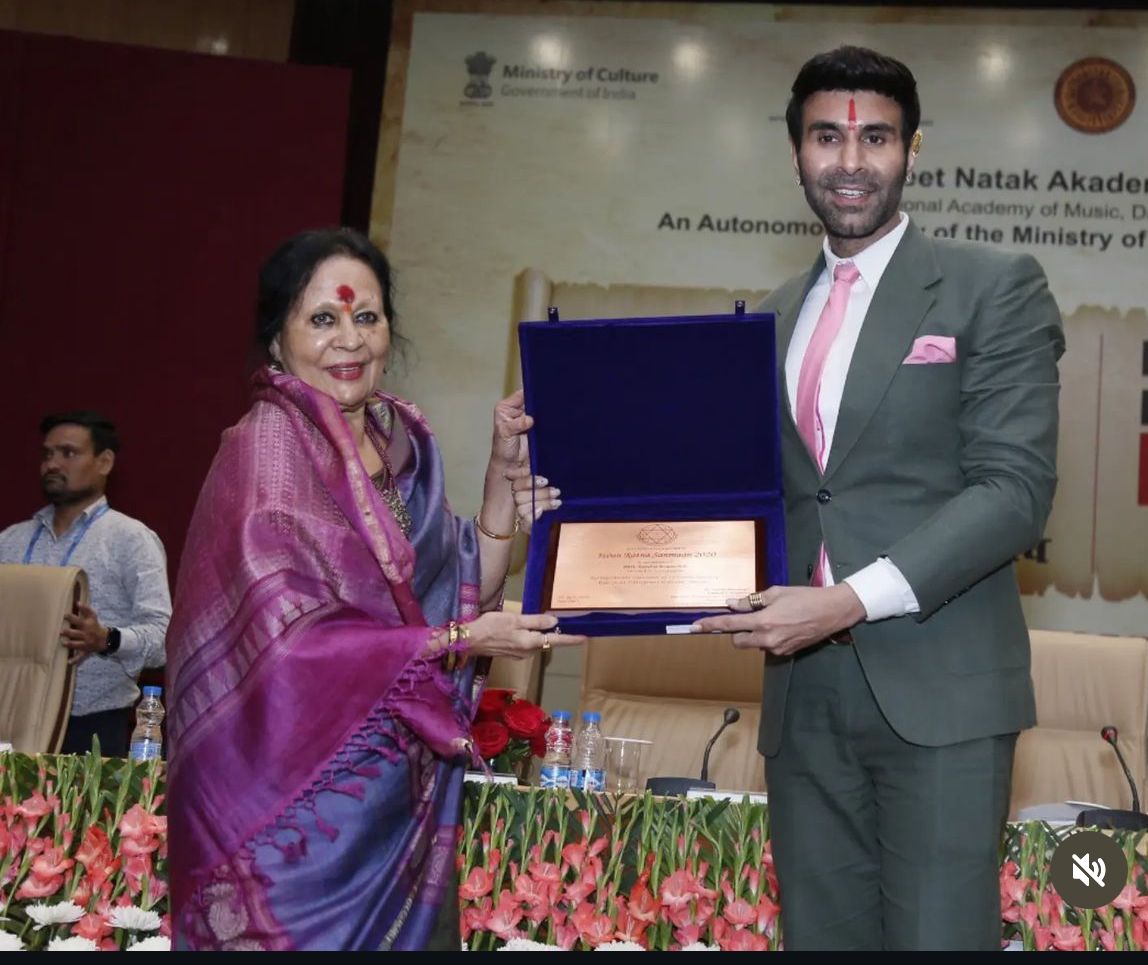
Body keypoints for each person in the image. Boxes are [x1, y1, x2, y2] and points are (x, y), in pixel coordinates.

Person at [695, 46, 1063, 950]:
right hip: (802, 695)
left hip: (939, 686)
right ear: (794, 153)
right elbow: (742, 492)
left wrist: (845, 601)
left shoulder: (992, 287)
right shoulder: (769, 316)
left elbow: (1014, 490)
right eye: (827, 136)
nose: (851, 161)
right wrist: (558, 476)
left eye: (876, 138)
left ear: (911, 149)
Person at [165, 227, 580, 951]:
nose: (349, 340)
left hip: (396, 801)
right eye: (322, 319)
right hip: (295, 819)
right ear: (277, 341)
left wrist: (496, 485)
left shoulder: (401, 441)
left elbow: (459, 592)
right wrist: (458, 640)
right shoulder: (268, 451)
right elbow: (289, 647)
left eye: (367, 316)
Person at [0, 411, 171, 756]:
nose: (52, 464)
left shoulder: (131, 539)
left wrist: (106, 639)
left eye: (68, 453)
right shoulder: (10, 542)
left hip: (93, 730)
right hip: (10, 722)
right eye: (47, 454)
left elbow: (163, 639)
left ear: (105, 462)